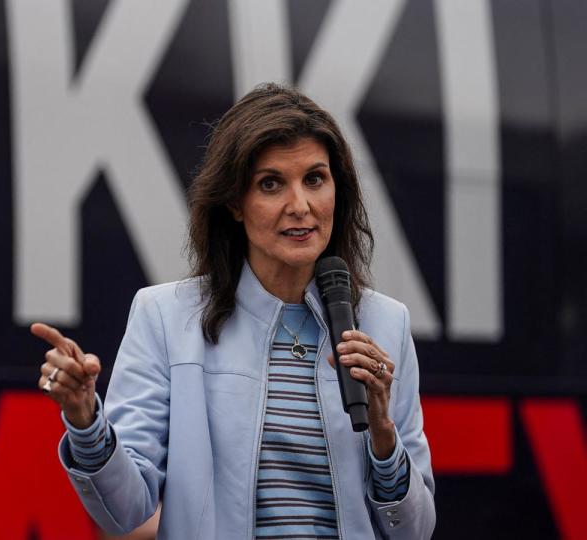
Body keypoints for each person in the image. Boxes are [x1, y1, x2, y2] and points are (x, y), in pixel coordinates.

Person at [32, 83, 435, 539]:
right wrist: (86, 419)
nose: (300, 206)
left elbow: (415, 532)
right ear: (234, 204)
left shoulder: (387, 323)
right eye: (271, 184)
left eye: (315, 179)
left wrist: (382, 432)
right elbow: (124, 509)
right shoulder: (165, 316)